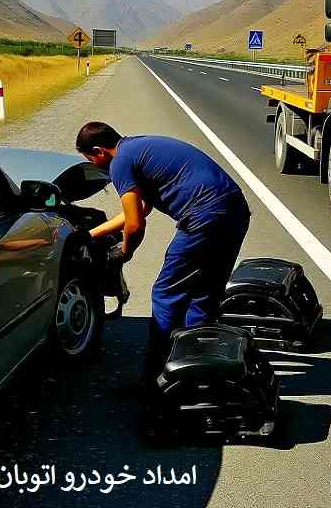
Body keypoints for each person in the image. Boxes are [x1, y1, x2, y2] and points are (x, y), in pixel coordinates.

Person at [75, 122, 251, 396]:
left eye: (90, 159)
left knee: (166, 294)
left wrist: (124, 252)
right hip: (234, 209)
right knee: (204, 292)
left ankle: (155, 381)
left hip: (203, 215)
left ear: (98, 151)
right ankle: (198, 372)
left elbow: (135, 225)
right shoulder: (138, 148)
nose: (94, 165)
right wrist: (89, 234)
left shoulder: (120, 162)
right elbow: (141, 210)